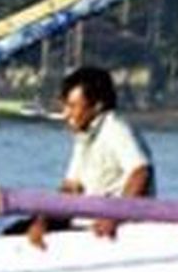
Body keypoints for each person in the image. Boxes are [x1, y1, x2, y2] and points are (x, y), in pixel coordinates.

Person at [28, 65, 153, 247]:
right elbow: (71, 188)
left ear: (97, 106)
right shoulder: (85, 136)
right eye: (65, 106)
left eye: (72, 106)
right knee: (16, 230)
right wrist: (43, 220)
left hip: (112, 228)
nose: (66, 114)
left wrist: (115, 216)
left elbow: (140, 172)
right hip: (84, 223)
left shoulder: (115, 128)